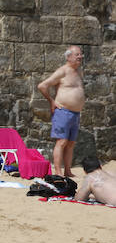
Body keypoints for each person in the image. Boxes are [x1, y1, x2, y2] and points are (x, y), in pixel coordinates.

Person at [38, 45, 84, 177]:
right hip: (63, 112)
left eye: (80, 54)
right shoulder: (62, 71)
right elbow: (42, 86)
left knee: (71, 143)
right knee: (62, 142)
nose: (80, 57)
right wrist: (51, 101)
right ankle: (58, 171)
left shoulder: (79, 71)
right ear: (69, 57)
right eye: (77, 55)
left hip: (75, 113)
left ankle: (68, 170)